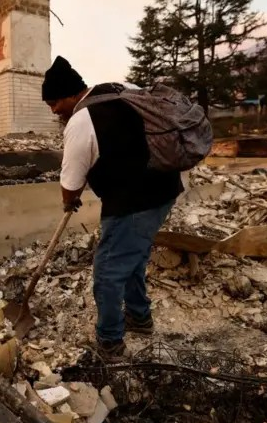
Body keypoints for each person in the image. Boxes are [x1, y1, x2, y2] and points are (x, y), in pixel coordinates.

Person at [41, 56, 184, 360]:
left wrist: (70, 201)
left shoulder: (81, 120)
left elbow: (70, 183)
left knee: (107, 272)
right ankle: (139, 318)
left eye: (54, 102)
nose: (53, 110)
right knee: (132, 255)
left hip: (134, 200)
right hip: (165, 188)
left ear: (69, 94)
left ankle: (110, 341)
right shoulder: (123, 89)